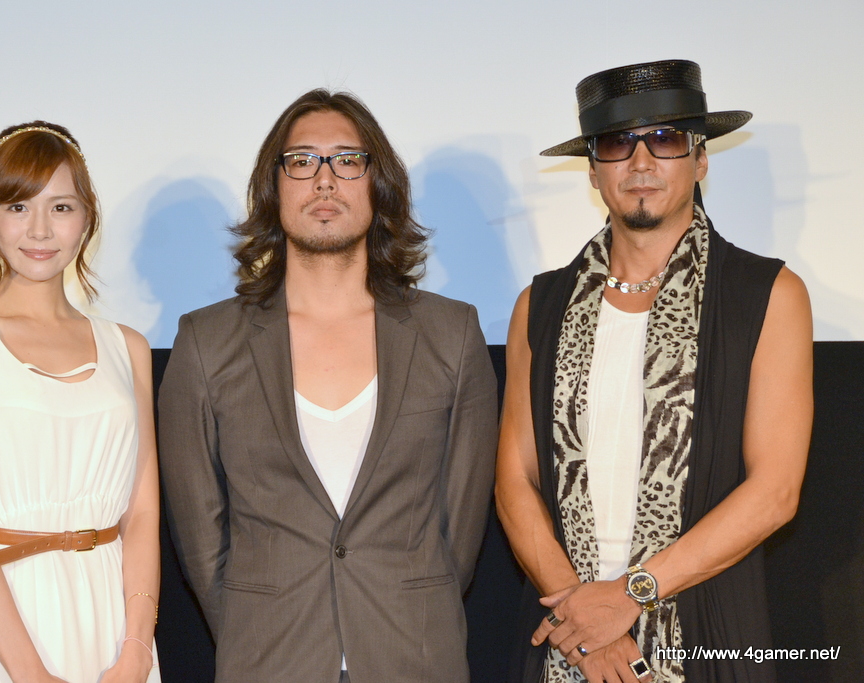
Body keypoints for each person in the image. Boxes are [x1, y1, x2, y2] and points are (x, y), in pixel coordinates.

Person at [158, 89, 499, 682]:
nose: (324, 179)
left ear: (378, 184)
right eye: (302, 161)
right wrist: (255, 623)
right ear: (274, 187)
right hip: (268, 659)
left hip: (414, 656)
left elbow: (460, 531)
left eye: (347, 160)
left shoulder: (453, 333)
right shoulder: (205, 341)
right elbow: (200, 539)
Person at [495, 60, 813, 683]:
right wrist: (583, 620)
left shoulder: (766, 295)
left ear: (700, 158)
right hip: (566, 638)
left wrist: (630, 594)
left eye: (665, 140)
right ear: (593, 168)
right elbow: (514, 479)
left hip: (709, 634)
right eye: (618, 143)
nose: (641, 163)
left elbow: (775, 492)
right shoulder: (541, 305)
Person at [0, 122, 161, 683]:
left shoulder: (128, 347)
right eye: (18, 206)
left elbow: (143, 515)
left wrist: (137, 651)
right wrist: (30, 672)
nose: (40, 229)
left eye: (62, 207)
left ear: (87, 217)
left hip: (111, 624)